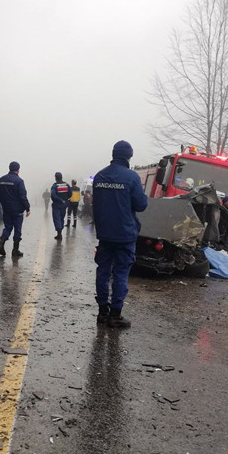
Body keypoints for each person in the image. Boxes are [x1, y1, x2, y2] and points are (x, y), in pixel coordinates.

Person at [93, 140, 148, 328]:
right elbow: (141, 205)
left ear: (113, 154)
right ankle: (115, 314)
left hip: (104, 234)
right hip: (125, 234)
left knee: (103, 270)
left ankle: (102, 312)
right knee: (121, 272)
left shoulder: (100, 176)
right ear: (129, 156)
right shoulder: (132, 177)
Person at [0, 161, 30, 257]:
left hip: (6, 208)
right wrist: (27, 208)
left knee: (7, 227)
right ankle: (15, 250)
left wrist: (3, 202)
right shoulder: (19, 181)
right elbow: (22, 196)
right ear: (18, 170)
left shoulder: (2, 179)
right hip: (17, 210)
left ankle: (1, 242)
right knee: (17, 229)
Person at [50, 172, 71, 240]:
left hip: (57, 204)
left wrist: (60, 200)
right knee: (61, 218)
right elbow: (70, 194)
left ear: (56, 178)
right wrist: (65, 200)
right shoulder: (67, 185)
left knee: (57, 218)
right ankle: (60, 232)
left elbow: (53, 195)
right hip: (64, 205)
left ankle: (59, 234)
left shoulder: (55, 186)